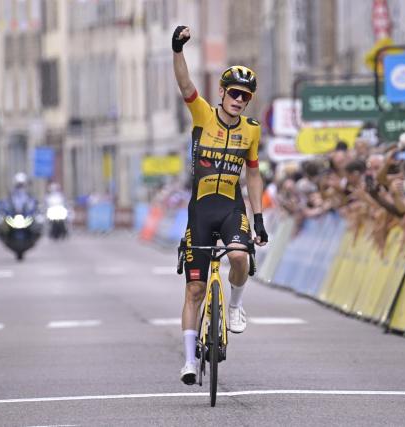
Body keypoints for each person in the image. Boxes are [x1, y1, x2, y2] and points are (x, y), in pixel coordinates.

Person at [172, 25, 268, 385]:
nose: (239, 100)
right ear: (223, 93)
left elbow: (254, 176)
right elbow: (185, 86)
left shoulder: (253, 130)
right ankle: (188, 362)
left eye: (245, 96)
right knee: (194, 290)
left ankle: (236, 304)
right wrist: (177, 50)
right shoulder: (203, 115)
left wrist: (258, 218)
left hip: (231, 207)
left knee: (240, 257)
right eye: (234, 93)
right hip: (200, 210)